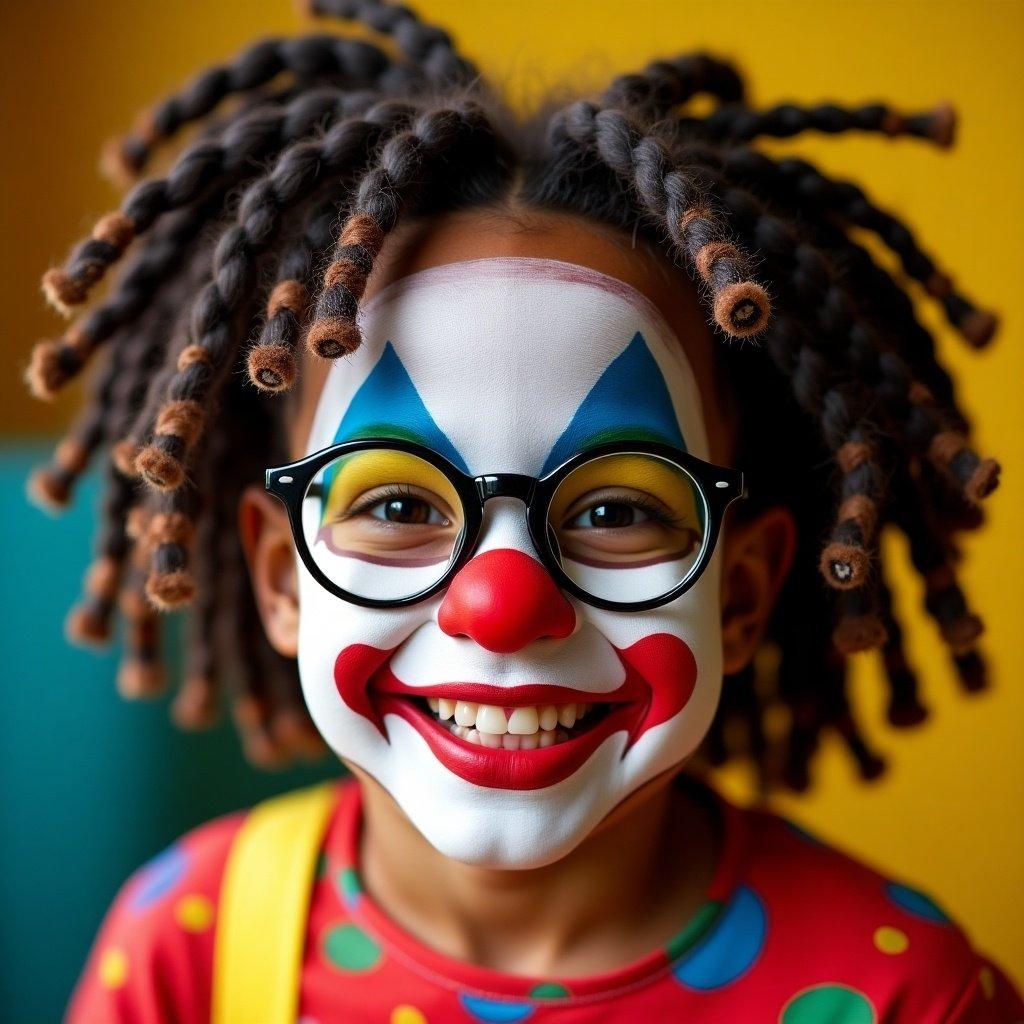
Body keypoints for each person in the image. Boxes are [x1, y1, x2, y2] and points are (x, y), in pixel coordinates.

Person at [26, 1, 1021, 1020]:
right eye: (401, 500)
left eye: (615, 512)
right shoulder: (189, 946)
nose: (502, 604)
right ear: (282, 578)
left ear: (739, 590)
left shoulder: (905, 992)